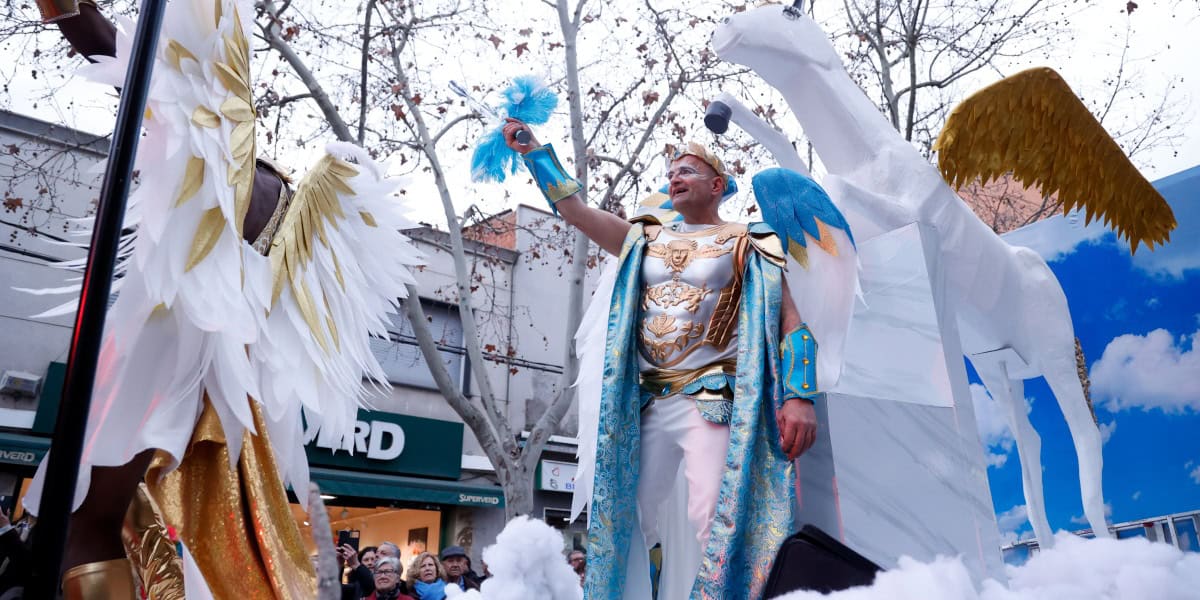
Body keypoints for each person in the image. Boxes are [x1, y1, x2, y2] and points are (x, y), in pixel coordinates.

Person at [25, 0, 422, 597]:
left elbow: (112, 50)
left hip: (169, 348)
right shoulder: (292, 201)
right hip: (237, 386)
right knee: (151, 522)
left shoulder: (217, 140)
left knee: (89, 517)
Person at [504, 120, 820, 599]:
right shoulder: (643, 239)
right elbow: (575, 211)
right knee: (620, 514)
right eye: (671, 172)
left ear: (717, 185)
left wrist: (800, 397)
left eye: (688, 171)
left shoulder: (749, 241)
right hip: (648, 401)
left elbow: (791, 324)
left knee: (714, 513)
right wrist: (534, 153)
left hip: (712, 395)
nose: (675, 178)